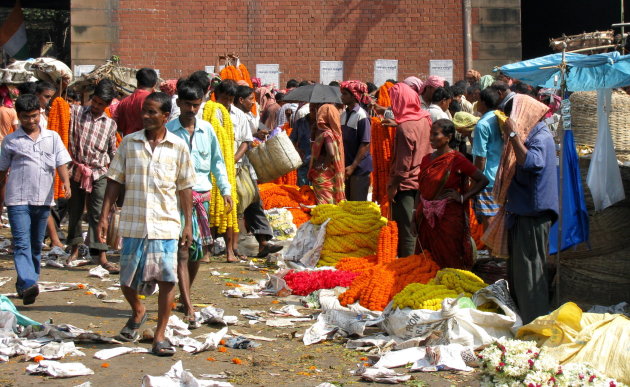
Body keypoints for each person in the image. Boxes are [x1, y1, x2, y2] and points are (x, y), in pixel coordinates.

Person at [96, 92, 195, 356]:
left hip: (166, 224)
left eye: (153, 112)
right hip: (134, 223)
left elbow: (185, 187)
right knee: (127, 280)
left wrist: (188, 225)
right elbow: (115, 179)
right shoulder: (129, 143)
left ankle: (159, 336)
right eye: (145, 112)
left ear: (165, 116)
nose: (147, 117)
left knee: (166, 281)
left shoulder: (178, 147)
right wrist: (104, 215)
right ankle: (138, 310)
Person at [166, 80, 233, 326]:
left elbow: (217, 162)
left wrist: (226, 190)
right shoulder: (170, 131)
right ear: (179, 103)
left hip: (203, 196)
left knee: (196, 253)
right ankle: (188, 304)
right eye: (187, 105)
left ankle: (184, 294)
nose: (192, 110)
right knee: (183, 251)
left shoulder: (207, 130)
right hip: (176, 197)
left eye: (196, 105)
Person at [0, 94, 72, 305]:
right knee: (22, 244)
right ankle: (30, 281)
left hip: (43, 200)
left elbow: (61, 162)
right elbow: (2, 171)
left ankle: (25, 284)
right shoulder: (10, 141)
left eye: (34, 116)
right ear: (18, 117)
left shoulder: (52, 137)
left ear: (40, 114)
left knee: (35, 245)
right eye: (25, 117)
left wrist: (66, 183)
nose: (30, 121)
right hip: (17, 200)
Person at [498, 94, 557, 324]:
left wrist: (513, 134)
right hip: (522, 213)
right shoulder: (531, 134)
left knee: (530, 275)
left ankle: (535, 322)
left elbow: (531, 162)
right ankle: (524, 319)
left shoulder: (540, 137)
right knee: (520, 274)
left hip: (533, 215)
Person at [416, 119, 488, 269]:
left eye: (436, 134)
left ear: (448, 137)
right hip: (426, 216)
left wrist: (463, 197)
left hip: (448, 217)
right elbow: (421, 189)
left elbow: (482, 180)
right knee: (426, 260)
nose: (431, 138)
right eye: (430, 134)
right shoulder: (426, 159)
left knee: (450, 258)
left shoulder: (456, 159)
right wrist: (416, 213)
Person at [65, 80, 120, 272]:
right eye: (95, 102)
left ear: (107, 105)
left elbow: (113, 152)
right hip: (77, 169)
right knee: (76, 210)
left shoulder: (110, 124)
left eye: (101, 104)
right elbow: (61, 104)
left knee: (98, 212)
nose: (96, 107)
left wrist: (117, 177)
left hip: (99, 172)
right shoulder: (77, 112)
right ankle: (74, 248)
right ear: (91, 98)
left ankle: (101, 253)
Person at [230, 83, 283, 259]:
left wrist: (258, 134)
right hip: (235, 166)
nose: (253, 102)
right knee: (239, 205)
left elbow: (250, 135)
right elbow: (244, 141)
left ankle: (263, 243)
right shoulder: (231, 115)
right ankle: (233, 248)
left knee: (254, 201)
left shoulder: (248, 115)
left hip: (245, 165)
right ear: (240, 100)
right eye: (250, 100)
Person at [387, 83, 433, 258]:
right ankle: (421, 261)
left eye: (394, 101)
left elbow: (403, 165)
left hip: (406, 186)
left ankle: (408, 267)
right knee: (419, 226)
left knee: (406, 231)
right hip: (423, 180)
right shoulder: (424, 118)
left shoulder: (404, 128)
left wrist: (392, 187)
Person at [472, 88, 503, 232]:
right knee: (498, 214)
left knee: (488, 215)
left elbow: (480, 157)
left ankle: (493, 251)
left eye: (478, 101)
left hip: (488, 177)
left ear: (483, 103)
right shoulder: (499, 118)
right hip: (501, 173)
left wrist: (475, 179)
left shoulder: (482, 125)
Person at [339, 81, 372, 201]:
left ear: (354, 96)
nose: (342, 97)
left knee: (357, 205)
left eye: (345, 94)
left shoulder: (361, 115)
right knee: (348, 204)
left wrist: (353, 166)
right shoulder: (343, 115)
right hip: (347, 168)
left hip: (359, 169)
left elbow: (365, 143)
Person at [309, 104, 345, 204]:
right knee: (328, 205)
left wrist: (323, 167)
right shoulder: (330, 133)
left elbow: (331, 153)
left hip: (324, 175)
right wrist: (312, 134)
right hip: (326, 174)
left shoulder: (327, 134)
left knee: (325, 206)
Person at [113, 68, 158, 136]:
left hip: (128, 143)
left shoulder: (123, 102)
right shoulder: (154, 101)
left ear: (137, 82)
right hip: (147, 143)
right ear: (155, 84)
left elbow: (119, 127)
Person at [290, 103, 316, 186]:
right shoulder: (300, 123)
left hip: (317, 163)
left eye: (316, 107)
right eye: (311, 107)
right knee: (302, 189)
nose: (313, 109)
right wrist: (297, 150)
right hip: (303, 161)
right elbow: (292, 139)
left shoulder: (322, 124)